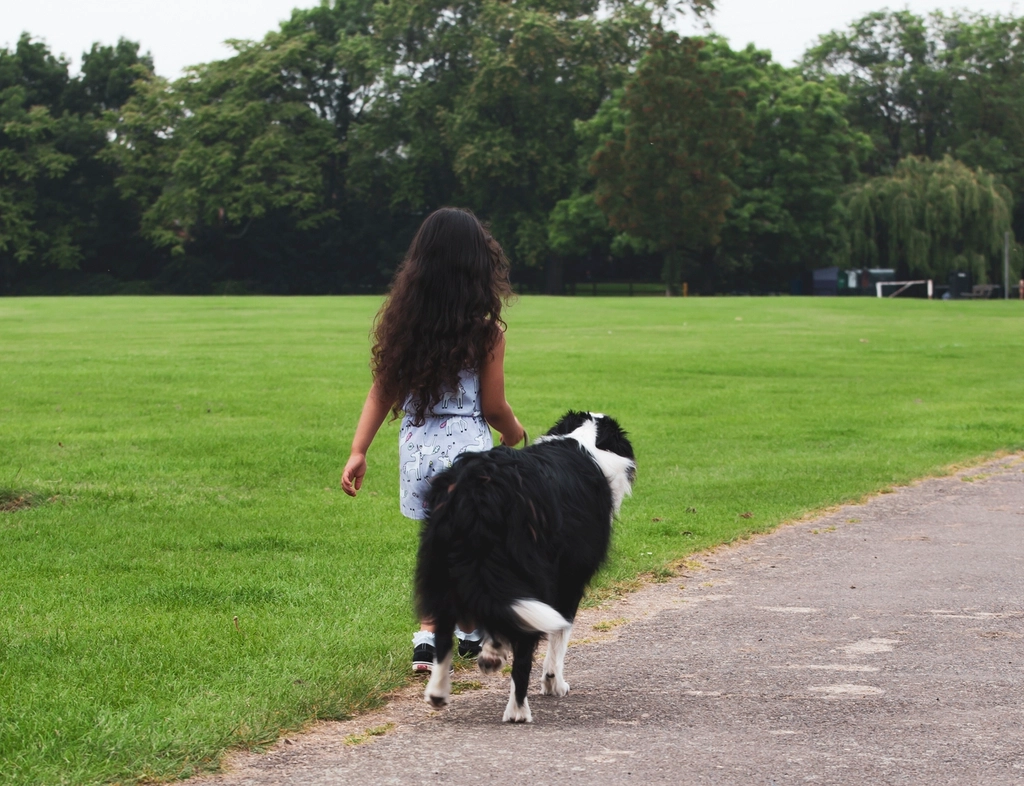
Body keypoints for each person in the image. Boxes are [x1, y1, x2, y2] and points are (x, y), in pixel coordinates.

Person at [340, 207, 526, 673]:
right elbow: (493, 407)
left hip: (418, 449)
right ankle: (468, 629)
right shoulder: (487, 333)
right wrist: (515, 433)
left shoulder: (404, 328)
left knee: (436, 542)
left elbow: (381, 392)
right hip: (467, 454)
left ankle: (428, 634)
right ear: (479, 267)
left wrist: (359, 450)